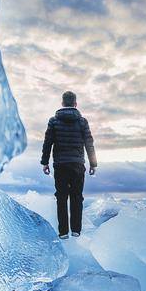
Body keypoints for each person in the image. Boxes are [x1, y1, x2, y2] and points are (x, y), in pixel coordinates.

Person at [40, 91, 97, 239]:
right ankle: (76, 230)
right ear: (75, 104)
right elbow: (89, 143)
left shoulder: (54, 121)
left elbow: (48, 143)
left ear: (62, 103)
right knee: (77, 197)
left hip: (60, 165)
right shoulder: (82, 122)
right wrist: (93, 163)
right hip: (78, 165)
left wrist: (45, 162)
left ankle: (63, 232)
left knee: (61, 197)